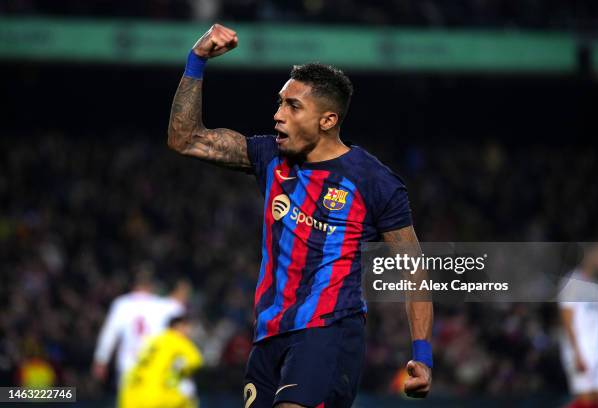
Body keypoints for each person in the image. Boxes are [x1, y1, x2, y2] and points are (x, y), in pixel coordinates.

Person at [167, 23, 433, 407]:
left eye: (292, 106)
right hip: (268, 336)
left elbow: (414, 269)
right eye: (279, 102)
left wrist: (422, 357)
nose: (278, 115)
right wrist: (197, 60)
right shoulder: (269, 157)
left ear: (327, 120)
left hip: (329, 331)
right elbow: (185, 138)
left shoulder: (373, 181)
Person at [92, 266, 190, 383]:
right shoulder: (164, 306)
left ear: (132, 285)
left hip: (128, 367)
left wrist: (101, 360)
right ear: (152, 286)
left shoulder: (122, 305)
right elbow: (179, 309)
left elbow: (109, 333)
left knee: (129, 400)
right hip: (156, 367)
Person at [559, 243, 598, 408]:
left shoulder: (597, 287)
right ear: (591, 255)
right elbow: (567, 320)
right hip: (579, 349)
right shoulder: (572, 282)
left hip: (597, 351)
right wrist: (577, 353)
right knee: (586, 402)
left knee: (597, 401)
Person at [119, 315, 204, 408]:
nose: (189, 331)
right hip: (156, 396)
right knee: (189, 401)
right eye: (187, 328)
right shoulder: (177, 339)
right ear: (180, 327)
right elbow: (196, 360)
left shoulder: (153, 340)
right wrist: (175, 375)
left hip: (129, 395)